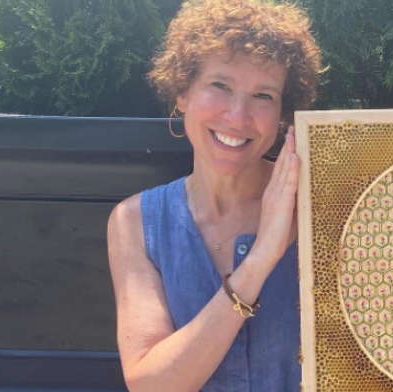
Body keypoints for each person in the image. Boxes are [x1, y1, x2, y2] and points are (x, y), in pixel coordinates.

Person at [106, 0, 322, 390]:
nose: (237, 117)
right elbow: (151, 385)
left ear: (282, 115)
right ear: (182, 92)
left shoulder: (325, 207)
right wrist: (260, 259)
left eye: (263, 96)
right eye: (220, 86)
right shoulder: (135, 223)